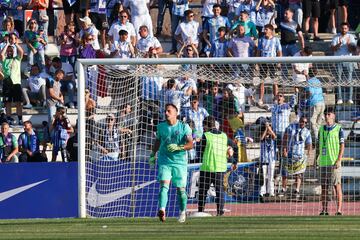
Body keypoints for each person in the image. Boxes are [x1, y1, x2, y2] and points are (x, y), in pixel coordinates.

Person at [149, 103, 193, 223]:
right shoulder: (161, 126)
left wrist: (179, 147)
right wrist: (153, 154)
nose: (166, 113)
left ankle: (183, 212)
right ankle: (162, 210)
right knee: (164, 185)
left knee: (181, 190)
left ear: (176, 113)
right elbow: (158, 141)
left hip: (180, 162)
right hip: (165, 160)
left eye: (169, 111)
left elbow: (191, 144)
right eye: (165, 111)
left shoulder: (184, 127)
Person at [198, 115, 237, 216]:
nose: (203, 128)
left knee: (202, 191)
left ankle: (201, 211)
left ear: (206, 126)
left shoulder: (206, 135)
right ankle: (220, 212)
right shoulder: (224, 136)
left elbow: (200, 151)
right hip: (220, 168)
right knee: (220, 191)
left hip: (207, 167)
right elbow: (234, 145)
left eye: (204, 126)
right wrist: (234, 160)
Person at [318, 107, 345, 215]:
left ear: (333, 115)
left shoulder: (339, 128)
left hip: (334, 162)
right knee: (324, 187)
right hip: (323, 162)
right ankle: (324, 210)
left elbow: (342, 145)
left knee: (336, 186)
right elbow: (320, 145)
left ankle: (338, 210)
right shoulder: (321, 129)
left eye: (329, 114)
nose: (327, 116)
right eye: (325, 114)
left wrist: (339, 160)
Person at [281, 117, 312, 197]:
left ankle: (297, 190)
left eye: (305, 123)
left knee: (299, 173)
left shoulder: (307, 132)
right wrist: (284, 149)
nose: (303, 124)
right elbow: (285, 138)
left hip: (299, 155)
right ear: (299, 121)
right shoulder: (291, 127)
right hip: (290, 153)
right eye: (302, 121)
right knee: (285, 172)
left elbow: (309, 143)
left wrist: (309, 152)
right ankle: (283, 189)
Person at [0, 32, 24, 126]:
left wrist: (15, 43)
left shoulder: (17, 59)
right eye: (8, 51)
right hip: (7, 83)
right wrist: (7, 44)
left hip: (16, 83)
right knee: (8, 103)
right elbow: (2, 54)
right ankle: (9, 119)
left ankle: (20, 119)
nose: (9, 52)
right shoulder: (5, 59)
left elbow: (21, 52)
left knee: (18, 103)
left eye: (11, 51)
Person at [331, 22, 356, 105]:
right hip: (338, 61)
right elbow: (333, 49)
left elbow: (352, 50)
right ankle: (340, 98)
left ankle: (350, 98)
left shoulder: (351, 37)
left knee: (349, 80)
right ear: (340, 28)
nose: (344, 30)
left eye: (345, 28)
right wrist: (339, 44)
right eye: (342, 28)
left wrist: (348, 44)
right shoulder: (336, 37)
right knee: (338, 80)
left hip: (348, 61)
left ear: (348, 29)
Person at [256, 24, 282, 105]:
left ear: (271, 31)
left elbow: (279, 52)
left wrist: (279, 62)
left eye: (266, 29)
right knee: (262, 81)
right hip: (263, 63)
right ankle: (260, 99)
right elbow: (258, 52)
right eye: (264, 29)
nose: (265, 31)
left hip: (273, 63)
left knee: (274, 81)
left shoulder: (276, 40)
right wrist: (257, 63)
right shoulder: (261, 40)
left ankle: (275, 98)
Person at [305, 69, 325, 141]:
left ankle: (317, 138)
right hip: (322, 102)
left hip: (315, 103)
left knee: (312, 121)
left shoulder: (309, 82)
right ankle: (318, 136)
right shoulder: (318, 81)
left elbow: (310, 92)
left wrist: (305, 97)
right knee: (318, 122)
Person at [259, 121, 276, 197]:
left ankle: (271, 192)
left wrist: (269, 128)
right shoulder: (262, 136)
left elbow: (274, 136)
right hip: (263, 159)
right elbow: (261, 138)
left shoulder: (272, 136)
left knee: (271, 176)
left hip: (271, 159)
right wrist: (266, 129)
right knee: (263, 176)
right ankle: (262, 192)